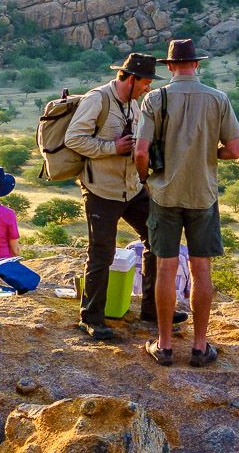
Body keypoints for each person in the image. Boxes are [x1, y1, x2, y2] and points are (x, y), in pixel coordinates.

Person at [134, 38, 239, 368]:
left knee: (166, 266)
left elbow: (140, 151)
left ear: (169, 67)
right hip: (203, 194)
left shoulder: (156, 98)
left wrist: (145, 179)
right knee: (201, 268)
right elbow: (235, 151)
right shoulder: (218, 99)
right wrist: (209, 155)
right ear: (197, 64)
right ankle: (199, 346)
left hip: (165, 193)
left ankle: (164, 345)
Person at [63, 52, 166, 341]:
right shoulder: (98, 99)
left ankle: (153, 309)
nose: (148, 88)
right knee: (101, 253)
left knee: (158, 238)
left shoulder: (134, 103)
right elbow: (74, 139)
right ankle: (91, 318)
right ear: (130, 78)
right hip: (101, 190)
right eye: (145, 82)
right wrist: (113, 147)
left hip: (132, 188)